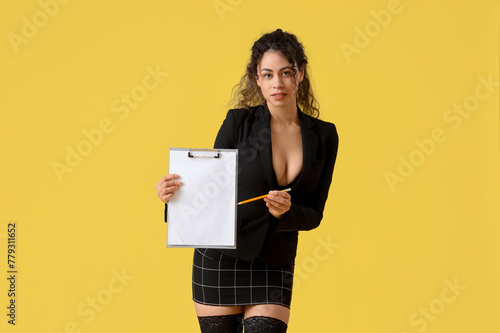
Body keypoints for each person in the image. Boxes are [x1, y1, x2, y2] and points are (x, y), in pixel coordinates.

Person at [156, 29, 339, 333]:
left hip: (274, 261)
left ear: (300, 74)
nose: (277, 83)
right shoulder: (237, 123)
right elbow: (209, 190)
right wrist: (173, 198)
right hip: (220, 257)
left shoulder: (323, 135)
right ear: (257, 79)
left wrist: (286, 213)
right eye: (267, 75)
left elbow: (314, 213)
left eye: (285, 72)